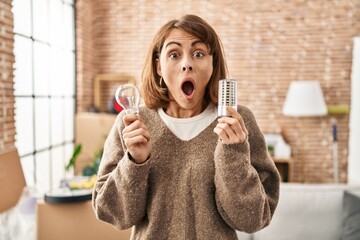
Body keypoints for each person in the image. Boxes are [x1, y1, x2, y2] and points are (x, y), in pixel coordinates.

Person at [92, 14, 280, 239]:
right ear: (158, 66)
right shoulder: (132, 124)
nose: (187, 64)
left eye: (198, 53)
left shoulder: (239, 121)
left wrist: (233, 154)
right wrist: (134, 163)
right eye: (174, 54)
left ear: (213, 63)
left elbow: (253, 219)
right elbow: (111, 213)